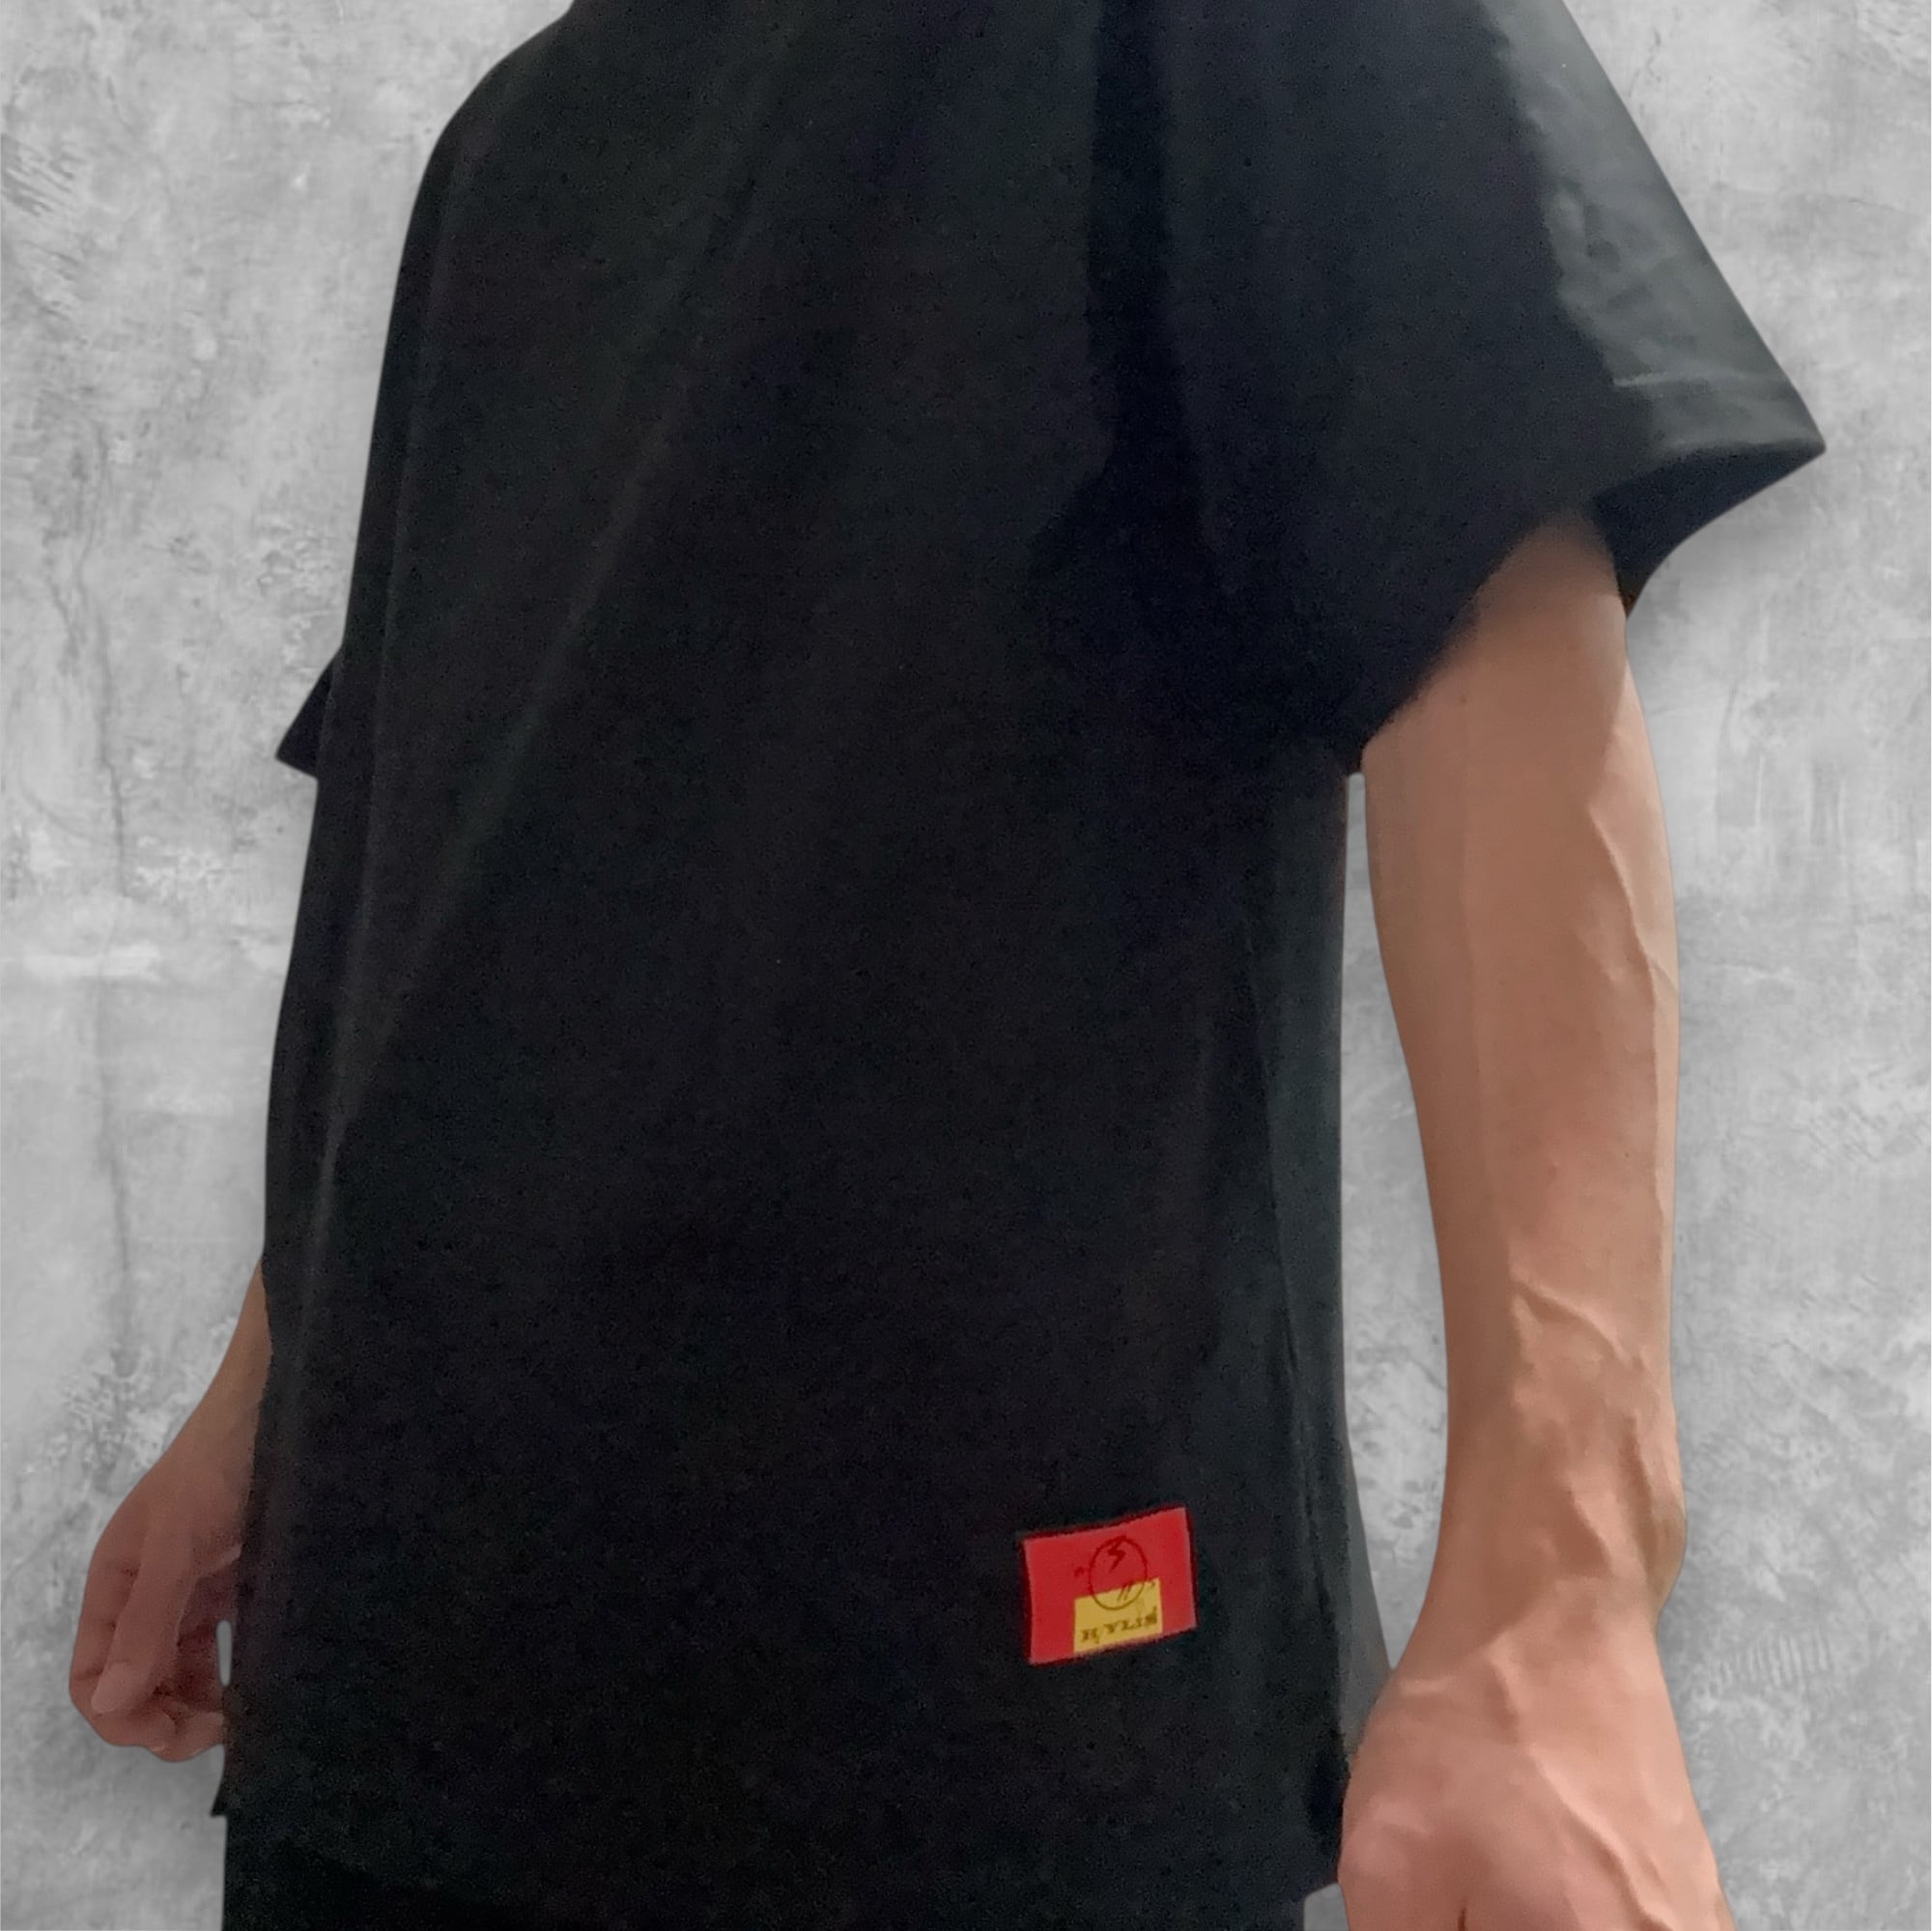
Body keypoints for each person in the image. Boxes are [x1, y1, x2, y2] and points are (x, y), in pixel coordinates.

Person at [71, 0, 1828, 1924]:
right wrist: (258, 1403)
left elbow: (1483, 564)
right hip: (389, 1671)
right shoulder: (511, 143)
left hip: (963, 1707)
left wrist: (1561, 1576)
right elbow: (432, 849)